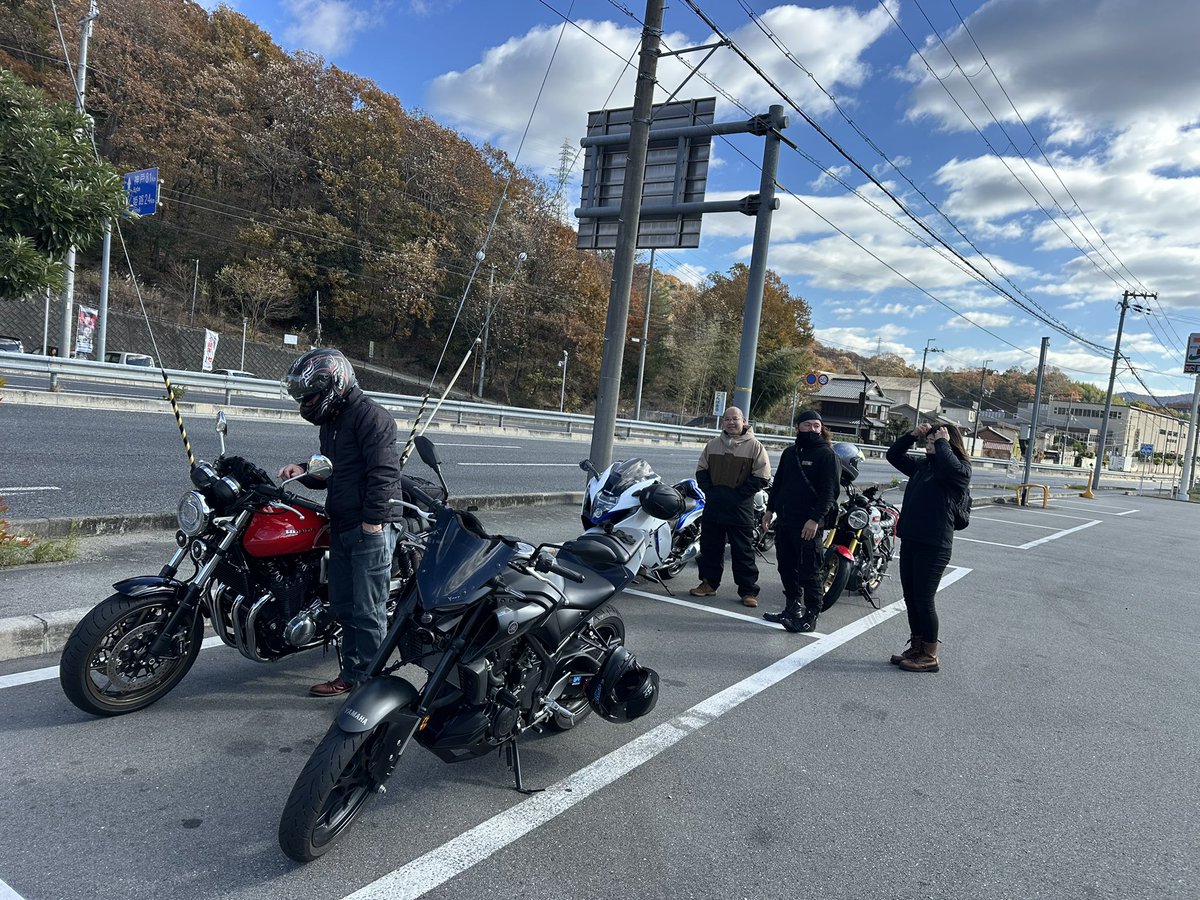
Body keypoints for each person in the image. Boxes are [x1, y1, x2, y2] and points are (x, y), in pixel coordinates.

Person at [279, 348, 403, 697]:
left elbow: (384, 474)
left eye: (312, 395)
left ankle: (373, 689)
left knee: (368, 611)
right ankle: (353, 675)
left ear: (334, 384)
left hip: (370, 528)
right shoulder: (334, 420)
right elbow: (333, 471)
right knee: (345, 607)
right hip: (343, 523)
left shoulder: (372, 417)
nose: (308, 403)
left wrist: (372, 524)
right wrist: (303, 471)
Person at [885, 421, 972, 673]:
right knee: (910, 598)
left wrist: (943, 442)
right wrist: (912, 435)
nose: (929, 446)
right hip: (911, 539)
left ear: (949, 444)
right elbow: (894, 455)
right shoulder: (923, 466)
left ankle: (930, 655)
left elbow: (955, 470)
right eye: (929, 442)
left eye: (935, 442)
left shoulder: (959, 471)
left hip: (934, 545)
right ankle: (917, 646)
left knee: (924, 599)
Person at [761, 410, 841, 633]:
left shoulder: (827, 455)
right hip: (786, 520)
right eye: (808, 425)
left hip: (808, 524)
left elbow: (830, 492)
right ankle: (791, 609)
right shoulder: (790, 453)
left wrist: (815, 519)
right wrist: (769, 511)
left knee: (810, 570)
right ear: (798, 427)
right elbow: (779, 485)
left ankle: (810, 616)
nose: (813, 430)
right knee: (786, 566)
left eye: (817, 425)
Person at [689, 406, 772, 608]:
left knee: (742, 550)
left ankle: (748, 591)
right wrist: (711, 491)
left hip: (740, 507)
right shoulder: (713, 445)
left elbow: (762, 476)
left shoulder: (755, 446)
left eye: (735, 419)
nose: (731, 423)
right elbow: (701, 470)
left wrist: (739, 495)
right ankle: (708, 584)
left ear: (743, 421)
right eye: (727, 419)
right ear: (722, 422)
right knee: (710, 548)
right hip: (714, 505)